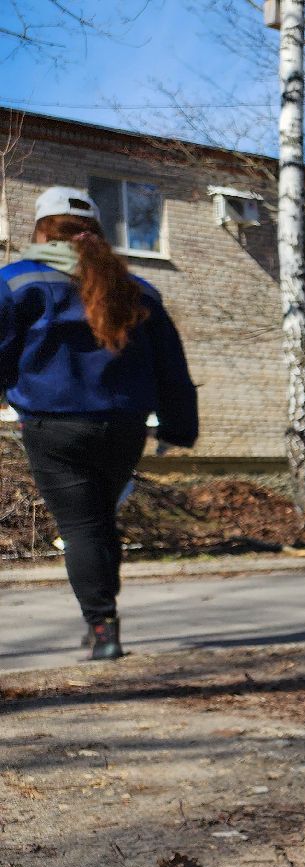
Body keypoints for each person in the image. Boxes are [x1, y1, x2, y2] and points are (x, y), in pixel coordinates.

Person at [1, 186, 197, 660]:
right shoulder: (137, 289)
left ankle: (103, 626)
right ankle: (102, 620)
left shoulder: (16, 280)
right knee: (98, 520)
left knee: (83, 524)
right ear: (99, 235)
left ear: (42, 230)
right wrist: (177, 426)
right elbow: (170, 365)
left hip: (55, 426)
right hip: (125, 426)